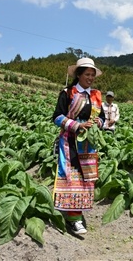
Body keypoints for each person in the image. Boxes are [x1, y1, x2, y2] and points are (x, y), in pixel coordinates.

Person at [52, 57, 105, 235]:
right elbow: (57, 117)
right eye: (87, 74)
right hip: (70, 142)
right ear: (79, 75)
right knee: (72, 176)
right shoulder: (68, 92)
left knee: (85, 178)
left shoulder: (96, 95)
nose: (90, 78)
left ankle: (77, 213)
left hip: (88, 144)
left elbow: (103, 118)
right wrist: (77, 125)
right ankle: (73, 218)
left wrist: (99, 121)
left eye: (92, 75)